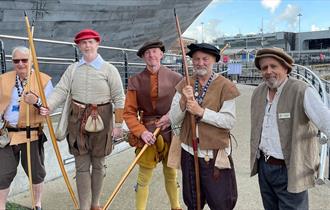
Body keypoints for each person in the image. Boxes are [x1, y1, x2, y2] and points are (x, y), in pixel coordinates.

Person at [39, 29, 125, 210]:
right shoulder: (72, 69)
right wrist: (49, 106)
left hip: (103, 119)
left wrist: (118, 125)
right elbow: (60, 91)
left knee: (99, 164)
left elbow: (119, 98)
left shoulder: (109, 69)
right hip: (77, 120)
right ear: (79, 46)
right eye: (83, 43)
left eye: (90, 42)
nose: (87, 45)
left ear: (97, 44)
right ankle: (84, 206)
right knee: (81, 165)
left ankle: (95, 203)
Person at [250, 47, 330, 210]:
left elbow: (326, 122)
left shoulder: (301, 90)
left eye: (274, 66)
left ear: (286, 68)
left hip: (290, 167)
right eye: (264, 68)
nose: (268, 71)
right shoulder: (258, 92)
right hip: (264, 166)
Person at [169, 43, 239, 210]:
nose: (200, 63)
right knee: (193, 201)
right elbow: (173, 119)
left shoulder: (225, 85)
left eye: (205, 59)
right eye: (196, 59)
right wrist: (184, 101)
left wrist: (201, 112)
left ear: (214, 60)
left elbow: (229, 121)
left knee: (221, 202)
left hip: (214, 154)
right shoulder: (184, 84)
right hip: (188, 151)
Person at [123, 40, 182, 210]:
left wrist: (171, 117)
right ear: (143, 58)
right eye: (147, 53)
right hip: (147, 133)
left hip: (170, 131)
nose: (151, 55)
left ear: (161, 54)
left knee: (171, 173)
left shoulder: (177, 79)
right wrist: (141, 132)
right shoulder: (135, 80)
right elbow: (129, 112)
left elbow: (183, 105)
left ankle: (176, 207)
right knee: (144, 176)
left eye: (155, 51)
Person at [0, 46, 53, 210]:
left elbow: (48, 109)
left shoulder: (43, 80)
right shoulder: (3, 79)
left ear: (31, 61)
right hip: (7, 134)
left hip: (31, 134)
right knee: (3, 174)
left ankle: (37, 204)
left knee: (36, 173)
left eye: (24, 60)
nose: (21, 64)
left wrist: (37, 102)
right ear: (12, 62)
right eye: (16, 61)